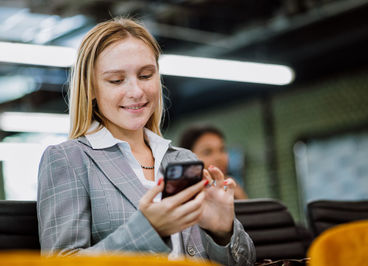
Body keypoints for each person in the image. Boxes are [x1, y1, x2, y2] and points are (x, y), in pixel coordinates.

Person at [37, 17, 255, 265]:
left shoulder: (182, 159)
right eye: (117, 80)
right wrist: (149, 229)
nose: (136, 92)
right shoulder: (68, 159)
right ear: (91, 89)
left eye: (145, 75)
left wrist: (222, 232)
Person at [179, 125, 248, 200]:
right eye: (207, 152)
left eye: (222, 149)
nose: (219, 158)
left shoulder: (231, 186)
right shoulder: (182, 197)